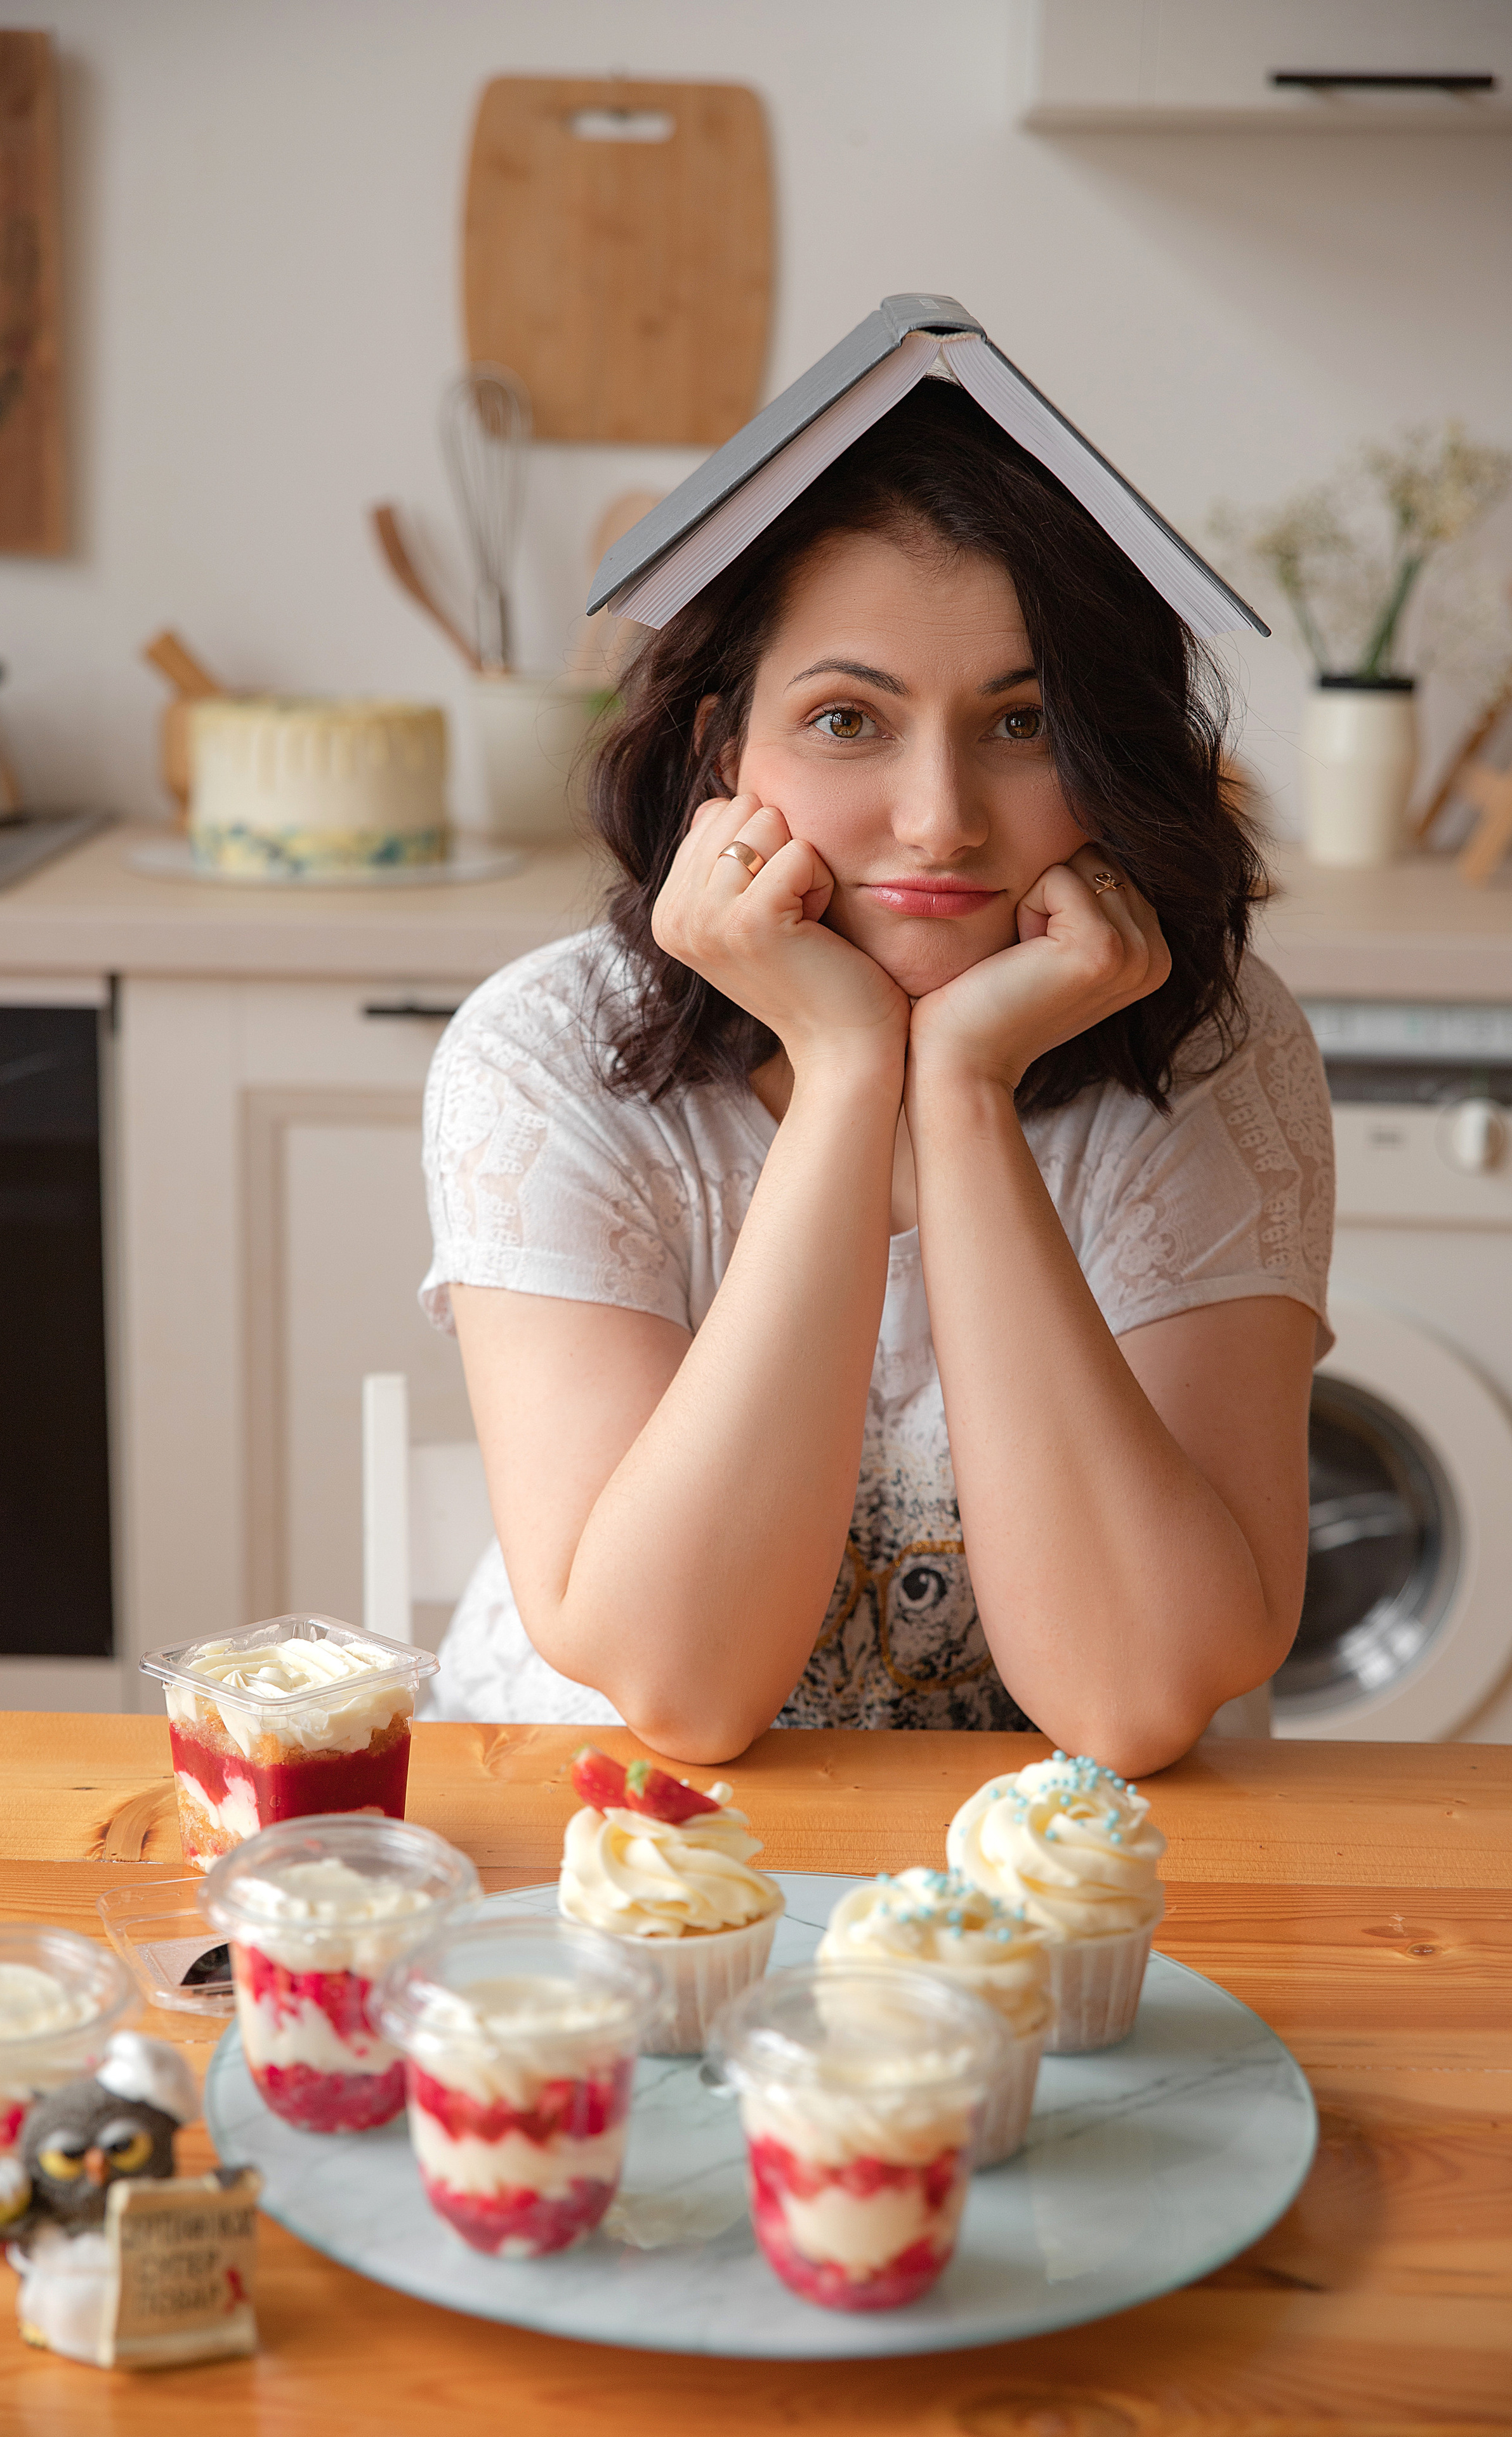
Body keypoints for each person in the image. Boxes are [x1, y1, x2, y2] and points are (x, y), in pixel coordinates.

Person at [421, 380, 1332, 1777]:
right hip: (605, 1847)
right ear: (725, 751)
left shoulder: (1211, 1045)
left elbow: (1132, 1704)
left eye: (1020, 725)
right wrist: (852, 1070)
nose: (939, 820)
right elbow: (687, 1692)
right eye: (849, 720)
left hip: (1065, 1877)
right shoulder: (541, 1052)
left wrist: (959, 1089)